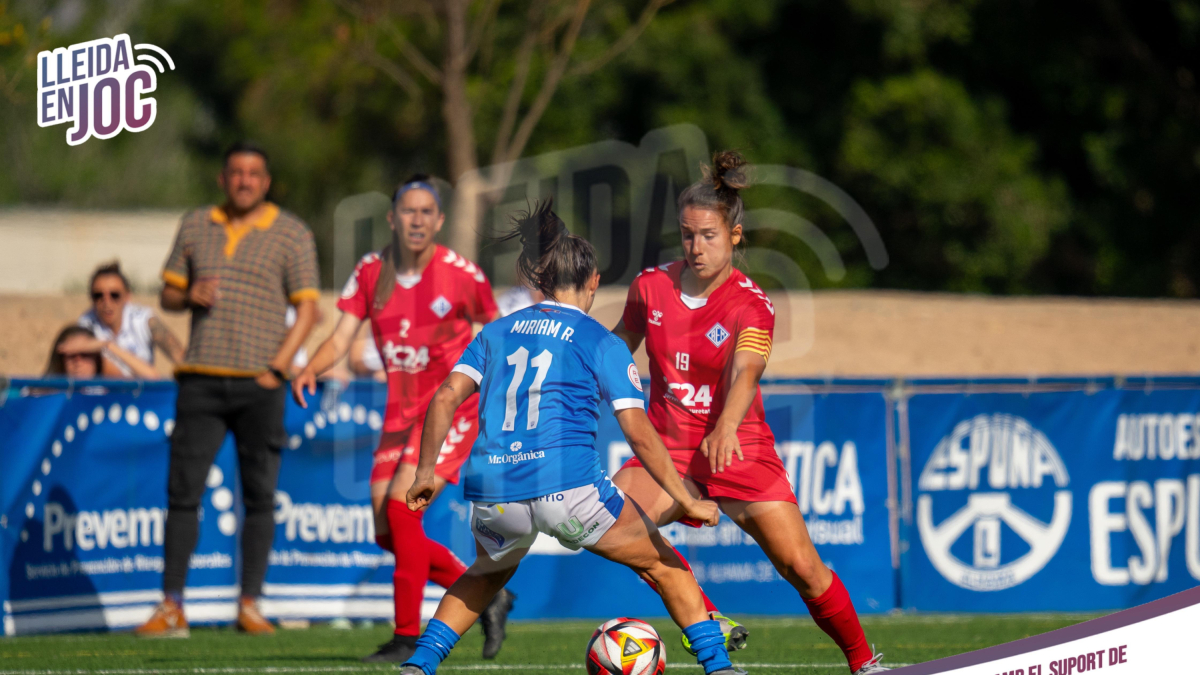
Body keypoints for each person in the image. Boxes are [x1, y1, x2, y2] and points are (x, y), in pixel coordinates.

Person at [397, 201, 743, 675]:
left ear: (541, 279)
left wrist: (425, 473)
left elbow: (444, 398)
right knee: (665, 567)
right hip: (568, 490)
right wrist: (686, 499)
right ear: (593, 281)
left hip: (495, 492)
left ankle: (419, 665)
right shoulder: (600, 340)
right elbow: (638, 431)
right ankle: (720, 667)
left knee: (484, 577)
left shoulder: (496, 333)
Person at [611, 152, 888, 675]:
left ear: (735, 235)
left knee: (803, 568)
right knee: (616, 528)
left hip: (739, 446)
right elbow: (617, 348)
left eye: (708, 235)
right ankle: (708, 622)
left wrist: (726, 425)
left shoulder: (752, 303)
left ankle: (864, 663)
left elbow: (746, 372)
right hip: (669, 447)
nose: (696, 247)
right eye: (687, 235)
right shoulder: (650, 287)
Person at [292, 174, 510, 662]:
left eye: (426, 211)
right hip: (400, 412)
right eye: (408, 211)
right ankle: (487, 592)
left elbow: (495, 336)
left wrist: (495, 396)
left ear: (439, 220)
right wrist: (309, 368)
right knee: (385, 531)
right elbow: (341, 337)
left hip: (449, 409)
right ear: (392, 218)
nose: (417, 219)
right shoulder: (372, 271)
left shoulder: (461, 274)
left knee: (401, 510)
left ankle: (407, 636)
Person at [135, 141, 320, 638]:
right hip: (200, 378)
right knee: (182, 493)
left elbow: (309, 310)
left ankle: (250, 604)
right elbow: (168, 294)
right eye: (236, 172)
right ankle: (171, 605)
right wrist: (187, 294)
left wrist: (277, 369)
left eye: (254, 173)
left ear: (267, 182)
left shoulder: (292, 232)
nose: (244, 181)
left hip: (261, 383)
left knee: (260, 496)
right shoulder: (196, 223)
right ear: (223, 178)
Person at [78, 261, 186, 376]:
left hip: (144, 387)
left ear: (127, 296)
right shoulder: (85, 324)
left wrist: (108, 346)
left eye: (114, 295)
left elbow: (181, 359)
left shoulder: (145, 320)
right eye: (98, 295)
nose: (106, 302)